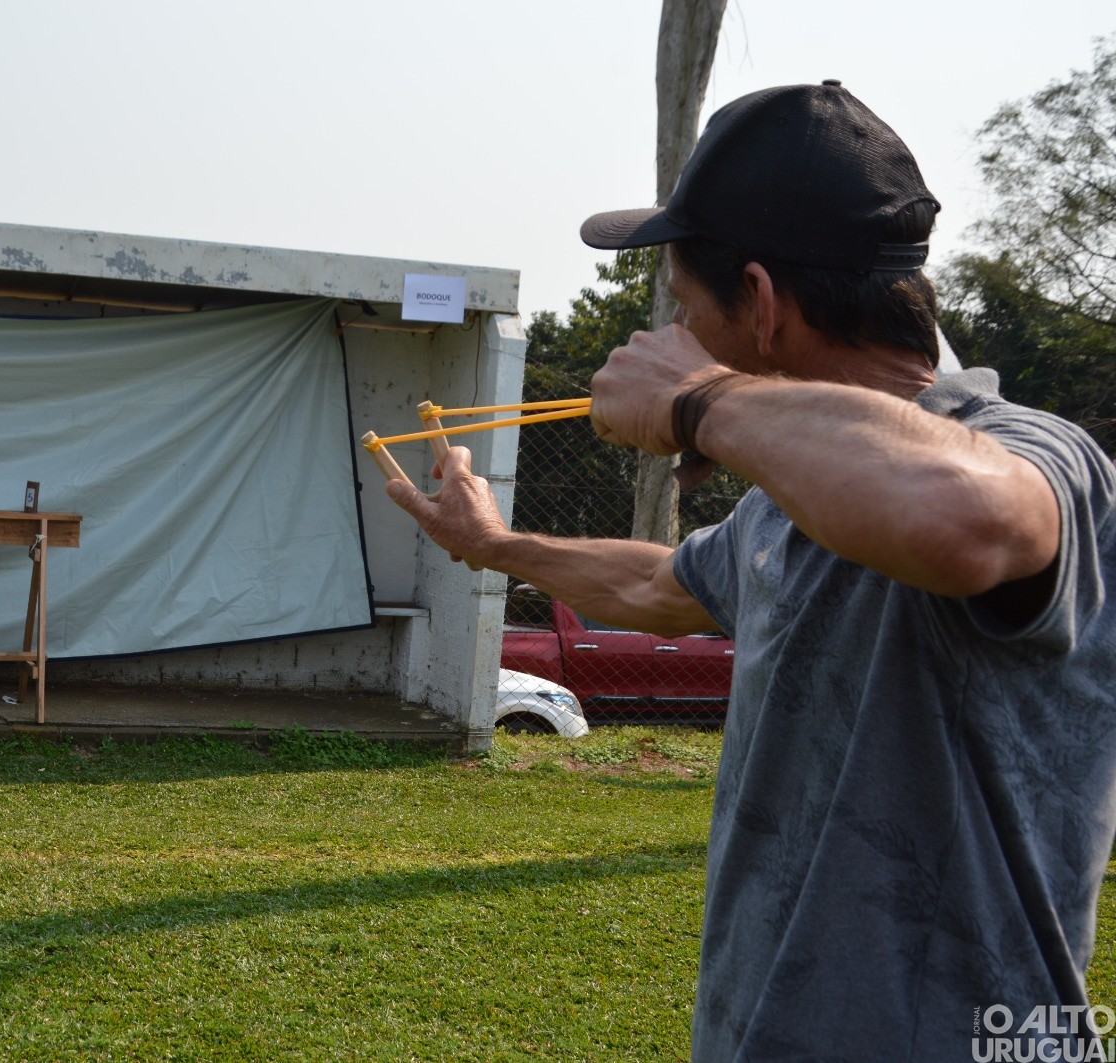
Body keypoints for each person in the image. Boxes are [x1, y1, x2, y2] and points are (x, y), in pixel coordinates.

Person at [386, 81, 1116, 1061]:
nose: (673, 338)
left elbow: (964, 522)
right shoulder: (790, 502)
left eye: (684, 309)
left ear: (761, 304)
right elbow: (660, 586)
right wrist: (493, 545)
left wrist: (699, 402)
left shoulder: (1041, 459)